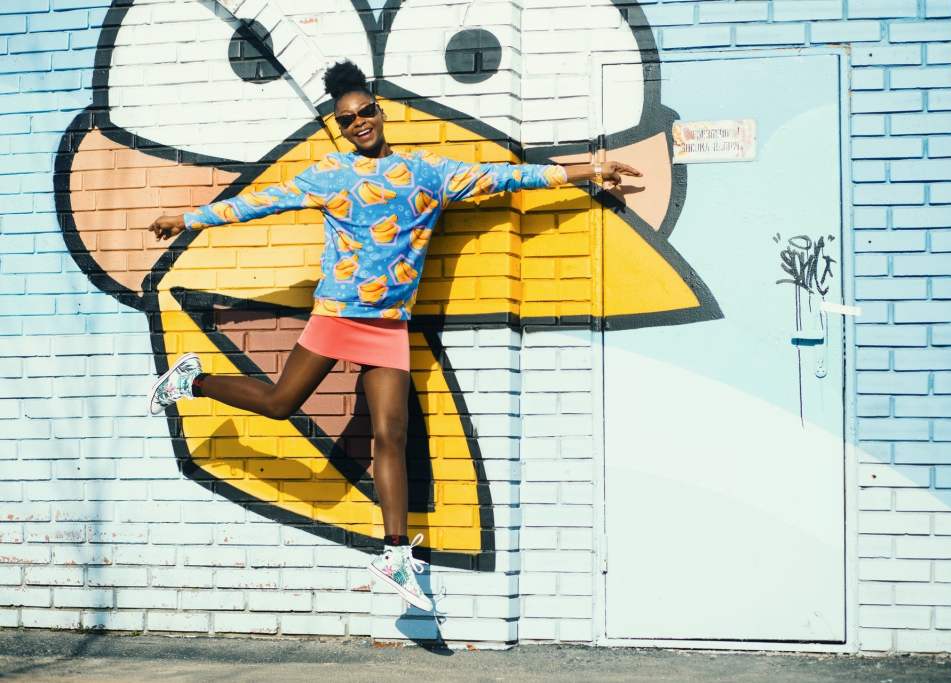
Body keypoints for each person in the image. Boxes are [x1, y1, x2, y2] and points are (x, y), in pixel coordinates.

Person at [145, 60, 640, 612]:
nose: (359, 122)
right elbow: (258, 203)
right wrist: (187, 219)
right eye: (347, 118)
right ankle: (196, 379)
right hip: (336, 315)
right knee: (282, 403)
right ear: (340, 127)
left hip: (389, 326)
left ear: (380, 112)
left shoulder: (428, 173)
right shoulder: (329, 174)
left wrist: (588, 170)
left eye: (365, 112)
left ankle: (395, 552)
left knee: (391, 435)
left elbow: (508, 176)